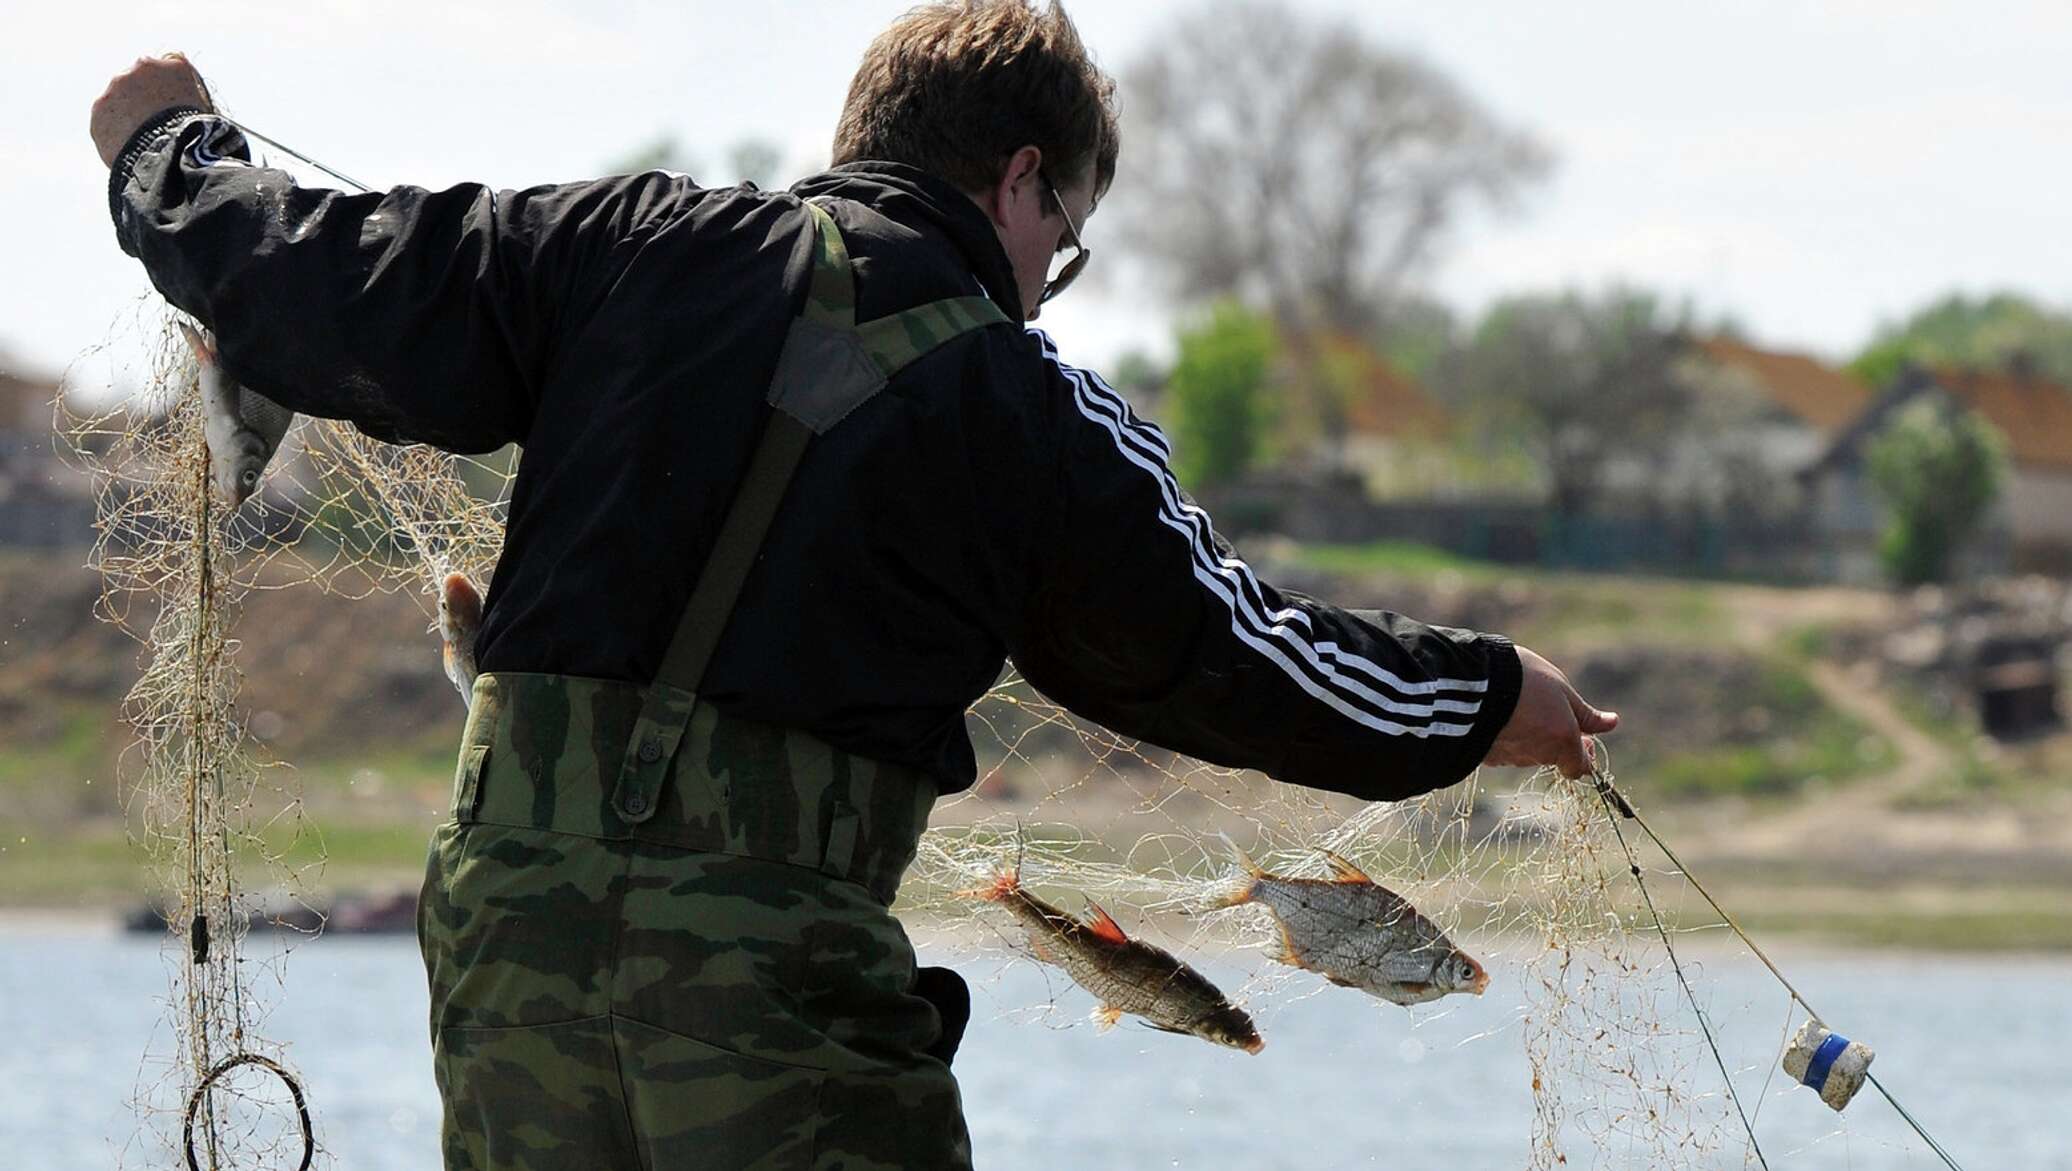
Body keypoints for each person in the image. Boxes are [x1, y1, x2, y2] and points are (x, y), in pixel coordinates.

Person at [92, 4, 1616, 1167]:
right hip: (769, 988)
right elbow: (1235, 660)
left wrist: (164, 145)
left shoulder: (617, 245)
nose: (1049, 285)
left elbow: (307, 272)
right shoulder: (1025, 409)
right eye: (1067, 243)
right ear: (1022, 179)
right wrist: (1491, 697)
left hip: (506, 966)